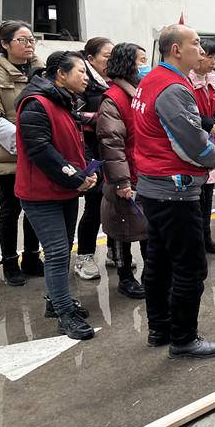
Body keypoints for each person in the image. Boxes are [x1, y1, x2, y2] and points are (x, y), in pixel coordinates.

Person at [132, 24, 215, 359]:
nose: (201, 50)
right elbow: (192, 143)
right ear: (176, 50)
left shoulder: (152, 79)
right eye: (196, 44)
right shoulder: (172, 88)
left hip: (154, 186)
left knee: (159, 261)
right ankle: (183, 338)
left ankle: (160, 328)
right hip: (174, 190)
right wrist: (213, 156)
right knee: (190, 267)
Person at [16, 51, 98, 340]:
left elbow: (74, 142)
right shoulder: (36, 104)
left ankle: (57, 300)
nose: (86, 78)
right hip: (41, 194)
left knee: (64, 248)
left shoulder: (65, 101)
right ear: (61, 74)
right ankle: (64, 315)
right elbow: (41, 150)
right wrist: (75, 178)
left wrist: (86, 171)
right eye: (81, 72)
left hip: (64, 190)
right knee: (57, 252)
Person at [0, 21, 42, 286]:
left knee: (36, 207)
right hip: (7, 152)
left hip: (37, 150)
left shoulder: (40, 70)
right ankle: (9, 262)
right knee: (10, 209)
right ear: (5, 44)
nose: (29, 45)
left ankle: (31, 257)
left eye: (32, 40)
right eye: (22, 40)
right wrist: (30, 145)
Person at [96, 43, 148, 299]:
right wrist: (121, 181)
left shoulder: (139, 94)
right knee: (122, 229)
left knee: (146, 228)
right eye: (141, 61)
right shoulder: (114, 98)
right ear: (128, 65)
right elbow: (111, 143)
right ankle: (125, 277)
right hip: (125, 176)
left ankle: (150, 275)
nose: (145, 67)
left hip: (144, 172)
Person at [74, 37, 116, 281]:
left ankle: (114, 250)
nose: (110, 62)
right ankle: (84, 256)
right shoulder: (84, 84)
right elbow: (75, 118)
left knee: (116, 204)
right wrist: (103, 118)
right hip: (91, 153)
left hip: (113, 152)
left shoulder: (113, 82)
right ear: (90, 59)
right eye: (106, 57)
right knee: (94, 207)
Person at [190, 42, 215, 254]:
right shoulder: (187, 81)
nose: (212, 62)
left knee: (209, 194)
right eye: (208, 56)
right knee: (196, 196)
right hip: (195, 142)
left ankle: (206, 236)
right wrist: (207, 123)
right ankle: (195, 240)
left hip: (213, 140)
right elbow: (189, 110)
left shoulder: (213, 80)